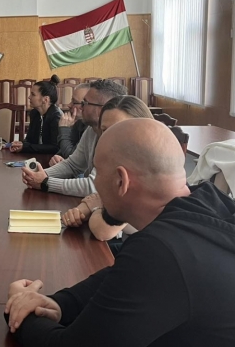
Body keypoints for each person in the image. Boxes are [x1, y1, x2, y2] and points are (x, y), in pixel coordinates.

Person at [5, 119, 235, 347]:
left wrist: (20, 311)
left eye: (98, 173)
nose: (95, 185)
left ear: (121, 180)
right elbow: (121, 276)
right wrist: (59, 303)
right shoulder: (206, 210)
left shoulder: (164, 252)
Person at [61, 96, 152, 251]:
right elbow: (101, 197)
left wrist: (94, 207)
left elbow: (103, 230)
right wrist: (90, 206)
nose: (108, 137)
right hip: (130, 243)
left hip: (148, 252)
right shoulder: (118, 160)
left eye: (118, 129)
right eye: (104, 130)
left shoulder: (143, 168)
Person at [21, 79, 127, 197]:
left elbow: (93, 186)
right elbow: (72, 165)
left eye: (85, 103)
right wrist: (38, 174)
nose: (81, 107)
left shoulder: (117, 137)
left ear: (102, 109)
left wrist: (45, 182)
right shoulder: (91, 130)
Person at [9, 75, 62, 154]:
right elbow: (29, 140)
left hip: (52, 159)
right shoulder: (34, 113)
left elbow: (55, 147)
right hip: (36, 156)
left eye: (33, 94)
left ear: (45, 99)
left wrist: (26, 147)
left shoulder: (56, 116)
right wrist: (21, 144)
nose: (29, 97)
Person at [49, 83, 89, 165]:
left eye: (74, 102)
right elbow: (63, 153)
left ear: (85, 105)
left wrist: (64, 129)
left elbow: (72, 158)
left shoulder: (91, 128)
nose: (69, 105)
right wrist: (57, 157)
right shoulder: (78, 123)